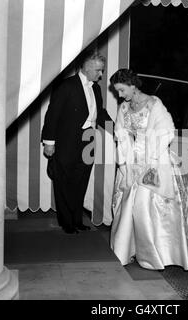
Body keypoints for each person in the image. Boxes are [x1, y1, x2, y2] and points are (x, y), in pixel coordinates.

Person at [109, 69, 188, 270]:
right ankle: (128, 250)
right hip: (133, 161)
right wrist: (126, 162)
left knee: (144, 205)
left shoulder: (154, 104)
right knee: (128, 206)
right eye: (117, 92)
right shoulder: (124, 108)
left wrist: (151, 160)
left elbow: (166, 132)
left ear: (133, 85)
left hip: (155, 160)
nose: (120, 95)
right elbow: (121, 134)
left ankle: (157, 254)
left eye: (121, 90)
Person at [41, 51, 112, 234]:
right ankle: (67, 223)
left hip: (88, 141)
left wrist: (116, 129)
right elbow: (52, 115)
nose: (101, 75)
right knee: (64, 182)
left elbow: (100, 113)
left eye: (101, 71)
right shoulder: (66, 86)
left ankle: (77, 219)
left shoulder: (95, 88)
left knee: (81, 182)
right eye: (98, 70)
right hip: (67, 142)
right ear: (87, 68)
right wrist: (49, 142)